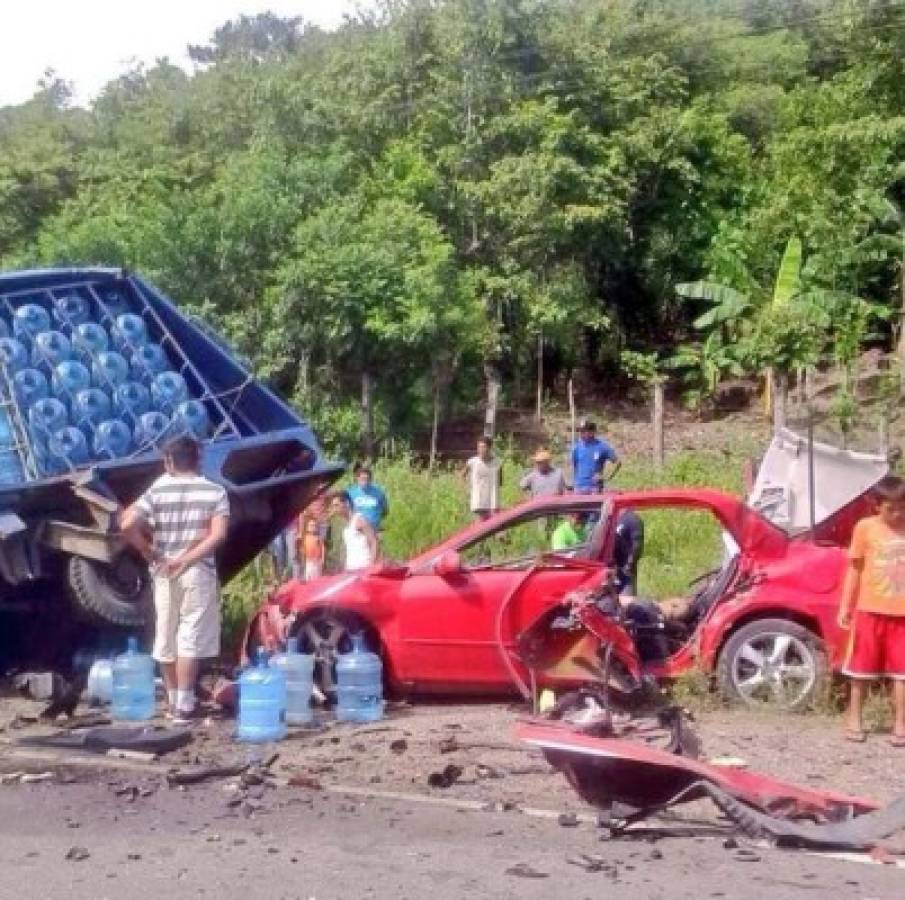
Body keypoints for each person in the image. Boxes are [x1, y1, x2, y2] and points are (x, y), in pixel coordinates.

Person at [121, 435, 229, 723]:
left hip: (164, 570)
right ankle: (184, 703)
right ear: (199, 459)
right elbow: (219, 535)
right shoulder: (214, 492)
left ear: (168, 462)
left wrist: (148, 550)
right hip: (197, 571)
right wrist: (188, 559)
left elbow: (127, 523)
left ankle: (172, 703)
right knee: (190, 635)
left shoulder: (157, 490)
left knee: (166, 634)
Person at [838, 475, 905, 745]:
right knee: (860, 670)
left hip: (902, 615)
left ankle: (900, 723)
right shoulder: (865, 528)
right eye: (892, 508)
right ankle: (854, 718)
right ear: (877, 505)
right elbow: (854, 569)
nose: (898, 513)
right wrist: (846, 605)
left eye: (903, 507)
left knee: (902, 673)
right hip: (870, 611)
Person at [332, 490, 378, 572]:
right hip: (351, 568)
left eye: (337, 505)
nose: (335, 509)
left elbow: (374, 541)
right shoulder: (346, 525)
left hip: (363, 567)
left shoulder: (359, 520)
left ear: (346, 503)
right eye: (334, 506)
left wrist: (371, 565)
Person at [570, 418, 620, 493]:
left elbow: (617, 462)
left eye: (584, 431)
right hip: (579, 488)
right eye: (580, 431)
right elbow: (575, 466)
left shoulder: (602, 446)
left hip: (594, 488)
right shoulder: (576, 448)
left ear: (592, 432)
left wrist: (606, 477)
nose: (581, 433)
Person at [464, 435, 503, 521]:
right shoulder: (472, 462)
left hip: (493, 501)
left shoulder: (498, 462)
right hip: (478, 502)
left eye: (483, 447)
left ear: (489, 448)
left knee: (499, 528)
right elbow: (462, 475)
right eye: (479, 447)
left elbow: (500, 482)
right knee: (481, 527)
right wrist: (466, 489)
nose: (480, 450)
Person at [347, 464, 389, 531]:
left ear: (371, 479)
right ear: (357, 479)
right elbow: (347, 510)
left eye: (367, 479)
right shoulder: (350, 492)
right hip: (358, 530)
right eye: (362, 479)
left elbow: (385, 510)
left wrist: (376, 519)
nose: (365, 482)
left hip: (375, 529)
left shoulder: (379, 492)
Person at [614, 508, 645, 595]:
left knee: (627, 601)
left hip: (626, 569)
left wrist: (629, 564)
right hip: (612, 569)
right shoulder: (613, 518)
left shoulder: (633, 519)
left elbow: (637, 544)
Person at [300, 515, 326, 581]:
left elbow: (322, 547)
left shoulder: (318, 537)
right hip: (309, 563)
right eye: (310, 525)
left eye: (314, 525)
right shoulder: (305, 538)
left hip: (317, 562)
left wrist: (322, 559)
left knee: (317, 580)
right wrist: (304, 560)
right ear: (307, 527)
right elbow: (303, 551)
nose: (312, 527)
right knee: (308, 579)